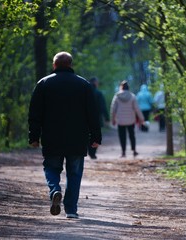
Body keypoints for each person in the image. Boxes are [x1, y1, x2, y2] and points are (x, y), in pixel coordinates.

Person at [28, 51, 102, 219]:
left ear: (54, 65)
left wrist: (34, 136)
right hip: (77, 138)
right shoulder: (84, 85)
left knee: (51, 167)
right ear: (70, 64)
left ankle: (55, 190)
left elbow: (35, 113)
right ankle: (71, 210)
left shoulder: (44, 84)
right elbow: (92, 113)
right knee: (74, 174)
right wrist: (96, 137)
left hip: (52, 137)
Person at [111, 80, 144, 157]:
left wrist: (113, 119)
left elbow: (113, 108)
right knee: (132, 135)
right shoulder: (132, 96)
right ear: (128, 88)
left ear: (121, 87)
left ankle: (123, 152)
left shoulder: (117, 96)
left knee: (122, 136)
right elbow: (137, 108)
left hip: (120, 120)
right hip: (131, 120)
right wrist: (141, 118)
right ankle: (134, 150)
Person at [87, 77, 109, 159]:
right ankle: (93, 153)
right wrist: (106, 117)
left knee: (87, 134)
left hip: (85, 118)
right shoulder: (98, 93)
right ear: (95, 83)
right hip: (97, 117)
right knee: (96, 134)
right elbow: (103, 106)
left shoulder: (84, 92)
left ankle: (89, 151)